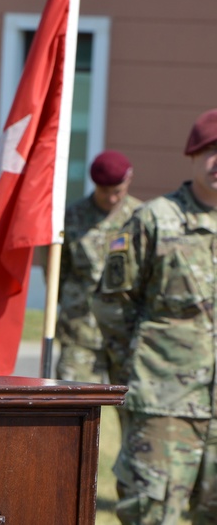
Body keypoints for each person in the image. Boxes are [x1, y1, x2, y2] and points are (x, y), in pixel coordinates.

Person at [93, 108, 217, 525]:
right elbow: (112, 302)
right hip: (165, 405)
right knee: (150, 514)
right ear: (192, 156)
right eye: (210, 151)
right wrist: (136, 367)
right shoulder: (153, 220)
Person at [53, 150, 140, 383]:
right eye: (104, 191)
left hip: (126, 330)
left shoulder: (141, 219)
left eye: (117, 192)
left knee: (134, 405)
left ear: (128, 181)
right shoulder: (72, 217)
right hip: (80, 330)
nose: (111, 199)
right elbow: (58, 273)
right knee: (71, 403)